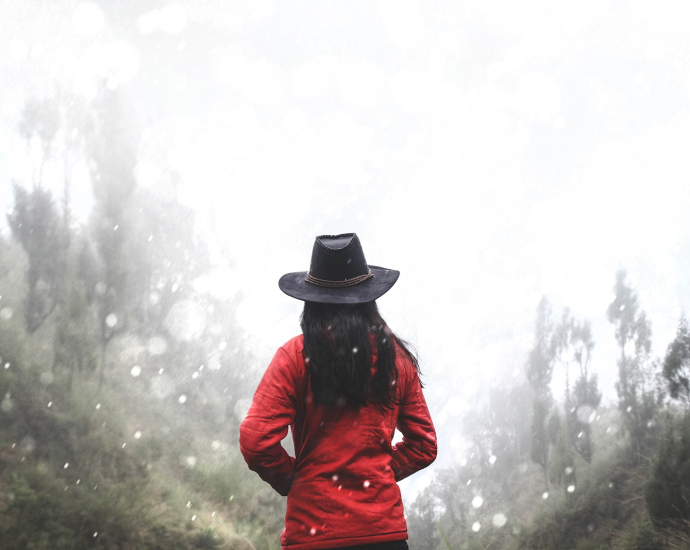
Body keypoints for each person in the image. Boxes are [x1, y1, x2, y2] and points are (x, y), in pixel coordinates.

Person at [239, 233, 437, 550]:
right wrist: (380, 474)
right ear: (369, 298)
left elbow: (255, 441)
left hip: (314, 534)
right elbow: (424, 444)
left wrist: (292, 478)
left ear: (311, 300)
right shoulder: (396, 360)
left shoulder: (294, 357)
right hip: (383, 534)